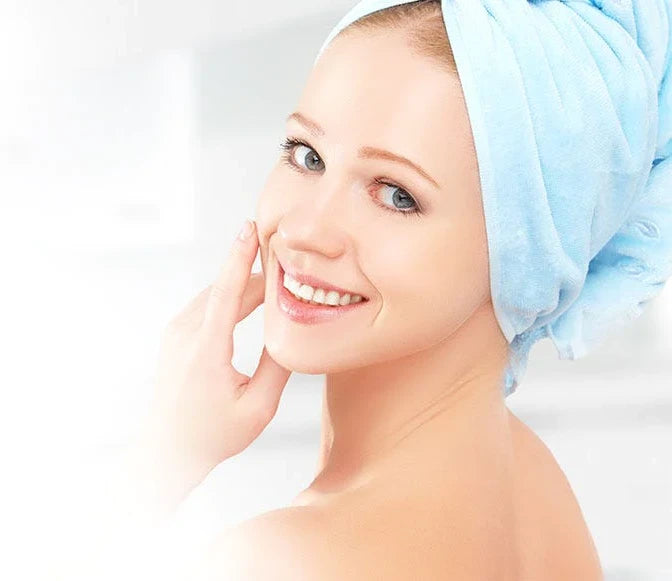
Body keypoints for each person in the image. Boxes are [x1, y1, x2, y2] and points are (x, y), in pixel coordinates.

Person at [103, 0, 672, 578]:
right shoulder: (532, 483)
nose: (305, 230)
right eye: (307, 156)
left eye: (397, 195)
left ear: (526, 247)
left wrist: (160, 467)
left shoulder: (284, 561)